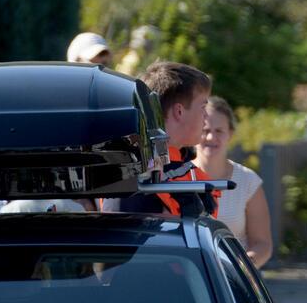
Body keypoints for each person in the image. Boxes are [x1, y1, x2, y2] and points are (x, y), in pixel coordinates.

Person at [114, 62, 218, 217]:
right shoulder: (141, 173)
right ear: (179, 111)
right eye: (203, 107)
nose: (207, 116)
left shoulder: (120, 166)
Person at [200, 97, 273, 266]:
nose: (211, 137)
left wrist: (241, 267)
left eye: (219, 131)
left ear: (230, 134)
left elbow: (263, 244)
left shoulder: (248, 181)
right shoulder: (177, 177)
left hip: (233, 281)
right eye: (205, 130)